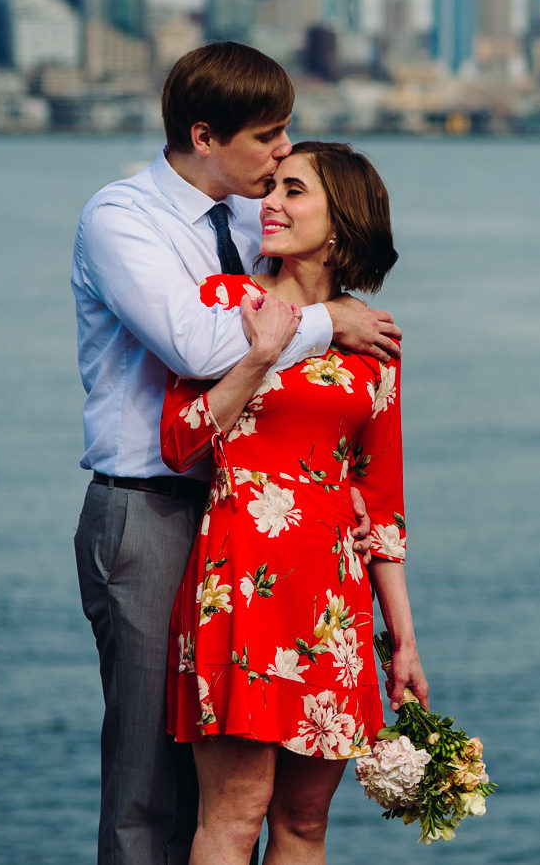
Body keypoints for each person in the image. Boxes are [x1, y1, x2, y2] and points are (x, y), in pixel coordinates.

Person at [72, 43, 400, 865]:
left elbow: (373, 472)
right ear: (206, 134)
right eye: (270, 138)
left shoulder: (257, 223)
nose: (283, 153)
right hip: (150, 509)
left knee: (262, 807)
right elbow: (198, 344)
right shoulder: (121, 218)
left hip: (282, 547)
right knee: (151, 788)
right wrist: (331, 326)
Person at [159, 142, 428, 865]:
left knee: (306, 825)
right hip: (241, 586)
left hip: (334, 607)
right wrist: (257, 355)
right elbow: (180, 442)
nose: (269, 201)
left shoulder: (375, 342)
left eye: (293, 190)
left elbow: (383, 503)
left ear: (339, 225)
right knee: (235, 816)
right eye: (270, 185)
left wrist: (401, 640)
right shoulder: (227, 302)